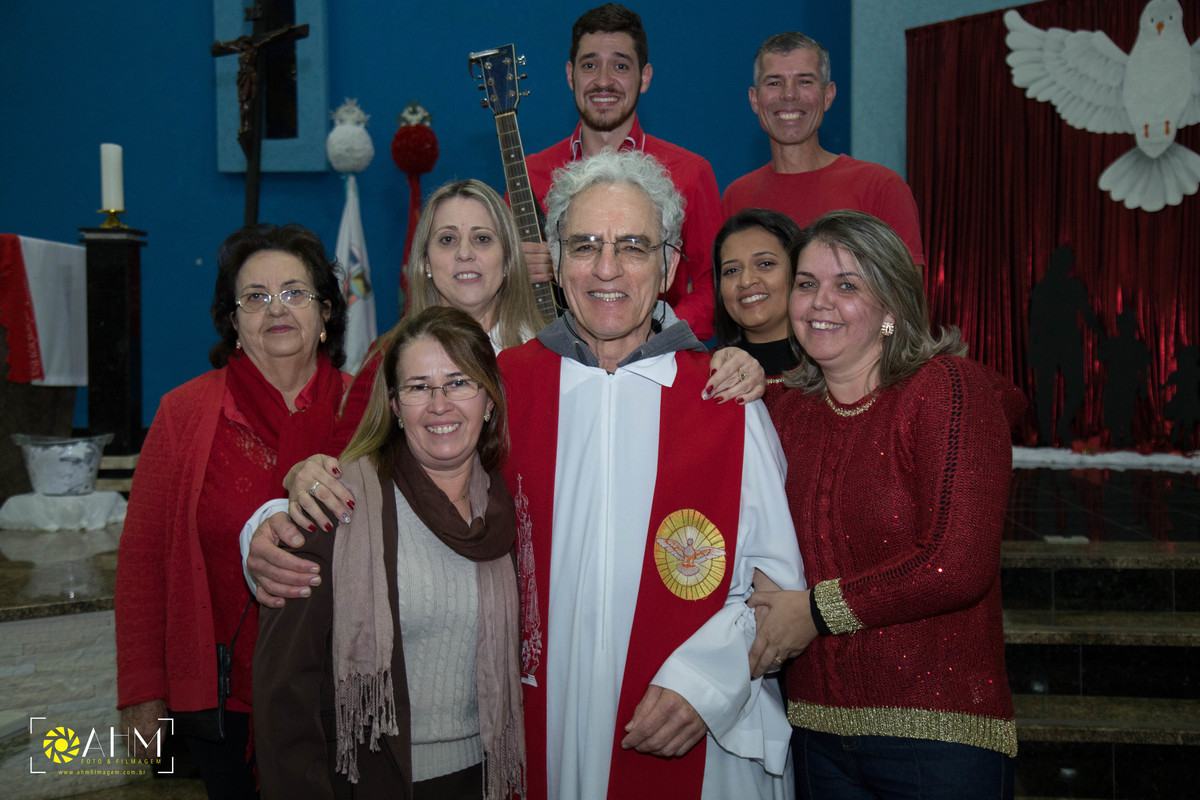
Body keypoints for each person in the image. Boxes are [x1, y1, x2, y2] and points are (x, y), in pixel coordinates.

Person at [243, 150, 803, 800]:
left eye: (633, 246)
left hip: (696, 745)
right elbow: (390, 486)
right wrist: (273, 517)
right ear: (556, 265)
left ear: (670, 266)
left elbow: (777, 594)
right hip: (540, 733)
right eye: (585, 245)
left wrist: (706, 686)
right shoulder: (501, 386)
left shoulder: (726, 403)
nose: (607, 268)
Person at [747, 210, 1024, 799]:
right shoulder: (783, 411)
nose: (820, 302)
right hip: (816, 734)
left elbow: (957, 565)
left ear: (892, 306)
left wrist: (816, 612)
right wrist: (732, 363)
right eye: (806, 283)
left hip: (942, 739)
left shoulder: (946, 388)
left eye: (847, 284)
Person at [114, 223, 353, 799]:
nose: (276, 309)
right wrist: (143, 694)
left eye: (294, 292)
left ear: (325, 314)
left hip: (346, 692)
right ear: (233, 322)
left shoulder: (365, 409)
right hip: (227, 703)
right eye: (255, 297)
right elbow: (142, 562)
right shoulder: (183, 414)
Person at [254, 306, 524, 799]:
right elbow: (283, 696)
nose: (440, 405)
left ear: (489, 400)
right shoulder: (336, 505)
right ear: (395, 406)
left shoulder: (511, 510)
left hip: (484, 779)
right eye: (419, 387)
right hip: (371, 781)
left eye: (458, 383)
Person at [522, 3, 722, 340]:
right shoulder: (530, 174)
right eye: (590, 65)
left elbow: (713, 286)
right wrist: (512, 271)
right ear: (570, 75)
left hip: (659, 356)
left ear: (645, 77)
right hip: (553, 355)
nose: (603, 81)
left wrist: (658, 333)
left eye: (620, 66)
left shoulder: (691, 173)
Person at [721, 32, 926, 267]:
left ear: (828, 95)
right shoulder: (736, 197)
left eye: (805, 81)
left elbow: (906, 289)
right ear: (755, 99)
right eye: (774, 83)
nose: (789, 94)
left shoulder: (880, 187)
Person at [405, 179, 545, 353]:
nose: (464, 253)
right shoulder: (388, 357)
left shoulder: (549, 355)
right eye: (448, 239)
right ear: (426, 261)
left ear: (507, 258)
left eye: (482, 239)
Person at [713, 208, 802, 407]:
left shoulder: (835, 371)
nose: (746, 281)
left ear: (799, 271)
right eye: (732, 270)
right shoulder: (707, 373)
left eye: (765, 264)